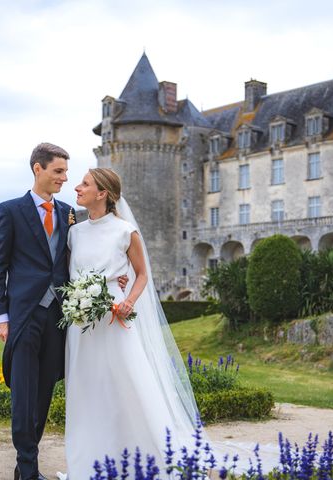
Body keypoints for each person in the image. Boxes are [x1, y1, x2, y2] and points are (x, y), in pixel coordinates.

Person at [61, 168, 202, 480]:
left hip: (115, 317)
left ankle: (144, 453)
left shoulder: (125, 231)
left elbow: (141, 274)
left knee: (127, 382)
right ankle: (87, 462)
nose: (77, 187)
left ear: (103, 193)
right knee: (85, 387)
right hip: (80, 323)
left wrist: (128, 301)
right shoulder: (73, 233)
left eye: (85, 184)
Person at [0, 142, 74, 480]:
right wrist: (0, 316)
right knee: (23, 396)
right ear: (38, 169)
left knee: (43, 395)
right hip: (23, 316)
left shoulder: (69, 211)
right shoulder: (10, 210)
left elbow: (72, 260)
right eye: (58, 171)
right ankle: (28, 470)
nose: (64, 178)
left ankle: (24, 464)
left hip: (58, 317)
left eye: (66, 172)